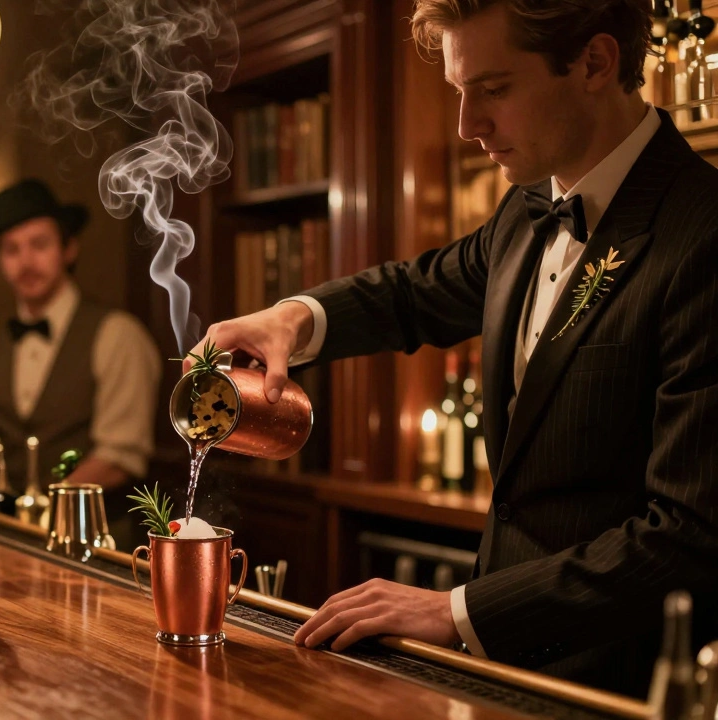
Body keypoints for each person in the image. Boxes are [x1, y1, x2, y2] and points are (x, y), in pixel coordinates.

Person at [191, 0, 718, 697]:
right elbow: (414, 293)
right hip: (502, 678)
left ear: (595, 62)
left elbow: (686, 537)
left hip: (623, 692)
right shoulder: (527, 209)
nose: (468, 126)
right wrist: (293, 317)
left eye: (493, 89)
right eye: (459, 92)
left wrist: (457, 610)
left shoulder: (701, 231)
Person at [0, 179, 160, 510]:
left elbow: (119, 457)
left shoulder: (118, 335)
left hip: (96, 531)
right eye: (11, 249)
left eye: (39, 244)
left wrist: (48, 506)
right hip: (10, 529)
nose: (25, 261)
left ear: (68, 249)